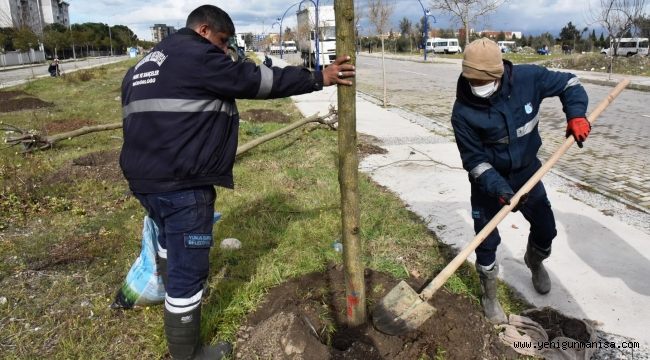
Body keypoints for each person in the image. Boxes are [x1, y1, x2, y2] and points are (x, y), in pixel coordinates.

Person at [119, 5, 354, 360]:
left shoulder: (144, 64)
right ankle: (189, 353)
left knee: (167, 243)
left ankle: (173, 298)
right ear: (203, 30)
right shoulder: (199, 55)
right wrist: (319, 77)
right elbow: (258, 81)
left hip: (144, 178)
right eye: (222, 40)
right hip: (184, 181)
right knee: (189, 269)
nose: (224, 49)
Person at [450, 38, 590, 324]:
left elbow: (571, 84)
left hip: (528, 172)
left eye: (483, 81)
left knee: (546, 229)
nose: (477, 87)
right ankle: (489, 296)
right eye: (472, 80)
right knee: (486, 240)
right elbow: (474, 161)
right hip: (489, 181)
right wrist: (498, 188)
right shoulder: (462, 111)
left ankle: (534, 260)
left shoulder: (529, 79)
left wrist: (576, 115)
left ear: (498, 75)